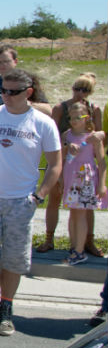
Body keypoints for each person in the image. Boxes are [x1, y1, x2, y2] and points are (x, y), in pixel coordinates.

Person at [0, 68, 61, 337]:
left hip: (21, 201)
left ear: (28, 92)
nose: (6, 96)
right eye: (3, 90)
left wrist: (39, 195)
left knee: (14, 259)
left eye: (13, 92)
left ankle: (6, 310)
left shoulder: (42, 123)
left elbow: (55, 163)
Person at [40, 73, 104, 256]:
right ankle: (49, 239)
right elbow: (51, 135)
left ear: (90, 92)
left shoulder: (94, 109)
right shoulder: (60, 108)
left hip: (84, 164)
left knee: (85, 206)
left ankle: (87, 241)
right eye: (77, 88)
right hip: (61, 159)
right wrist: (65, 147)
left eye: (85, 90)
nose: (80, 93)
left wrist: (100, 135)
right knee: (54, 199)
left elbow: (100, 134)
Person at [60, 101, 107, 265]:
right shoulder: (66, 135)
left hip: (86, 178)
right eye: (71, 117)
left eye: (78, 117)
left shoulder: (93, 137)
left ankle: (80, 251)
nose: (74, 121)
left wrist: (102, 184)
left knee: (80, 214)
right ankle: (74, 246)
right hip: (70, 177)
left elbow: (102, 163)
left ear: (86, 117)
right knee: (73, 213)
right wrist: (67, 147)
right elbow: (61, 158)